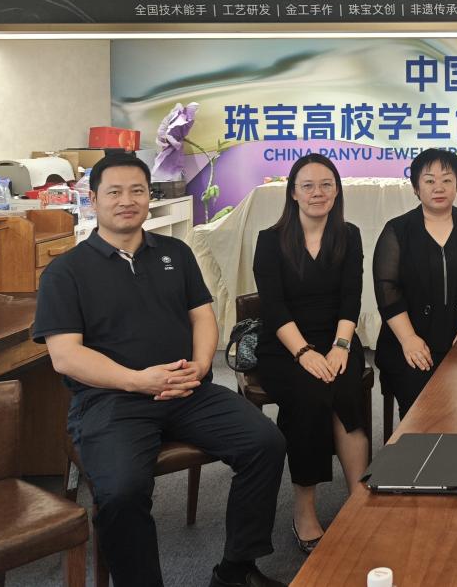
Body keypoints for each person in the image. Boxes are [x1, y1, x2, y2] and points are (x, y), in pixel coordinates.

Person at [32, 154, 286, 587]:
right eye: (114, 192)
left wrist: (201, 365)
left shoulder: (175, 252)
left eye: (137, 191)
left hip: (187, 389)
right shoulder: (66, 272)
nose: (127, 201)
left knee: (266, 442)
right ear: (93, 199)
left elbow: (202, 316)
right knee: (122, 491)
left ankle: (236, 569)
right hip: (111, 400)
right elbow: (66, 356)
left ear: (148, 197)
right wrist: (137, 380)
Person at [252, 153, 367, 554]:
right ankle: (304, 510)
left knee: (347, 389)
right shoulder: (271, 240)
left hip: (336, 338)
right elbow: (274, 308)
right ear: (293, 193)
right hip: (285, 344)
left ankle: (359, 500)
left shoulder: (349, 235)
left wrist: (340, 347)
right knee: (309, 395)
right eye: (308, 186)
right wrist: (303, 352)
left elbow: (351, 298)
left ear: (337, 191)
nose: (318, 193)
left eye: (326, 185)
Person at [373, 148, 457, 419]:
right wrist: (408, 339)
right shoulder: (397, 230)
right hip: (411, 342)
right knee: (421, 411)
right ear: (416, 188)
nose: (438, 187)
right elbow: (387, 288)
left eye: (447, 179)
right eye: (429, 180)